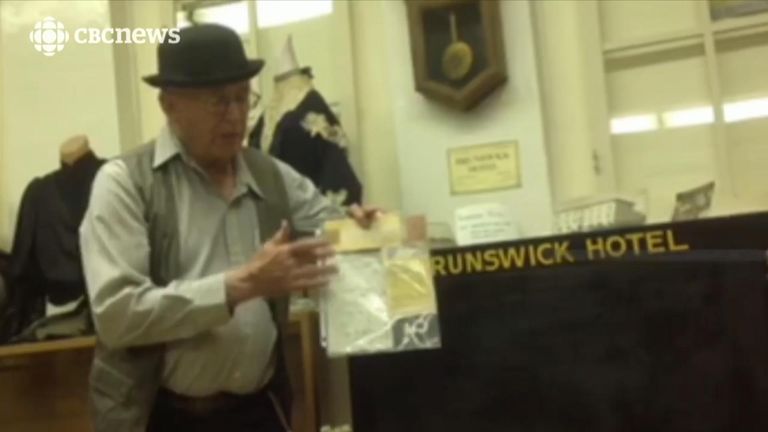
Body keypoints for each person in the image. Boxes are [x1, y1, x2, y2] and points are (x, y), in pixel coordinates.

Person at [80, 24, 379, 432]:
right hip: (161, 417)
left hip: (259, 410)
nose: (236, 116)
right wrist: (239, 286)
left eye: (243, 97)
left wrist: (363, 231)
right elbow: (118, 315)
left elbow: (334, 232)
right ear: (169, 105)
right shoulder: (125, 183)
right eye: (218, 102)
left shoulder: (271, 174)